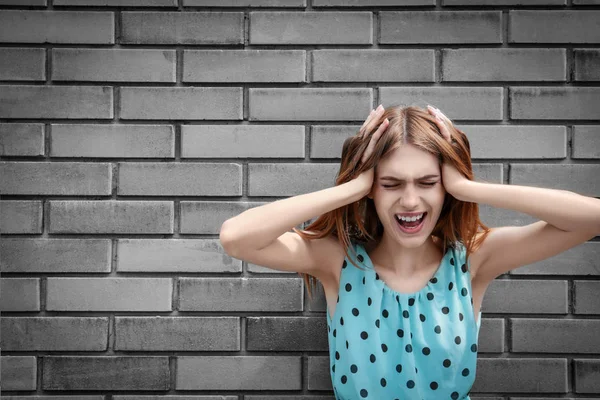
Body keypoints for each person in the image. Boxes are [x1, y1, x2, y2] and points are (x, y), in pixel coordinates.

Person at [219, 104, 599, 399]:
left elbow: (591, 218)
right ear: (372, 188)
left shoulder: (473, 260)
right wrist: (351, 187)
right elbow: (236, 237)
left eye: (428, 182)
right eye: (391, 183)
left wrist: (468, 188)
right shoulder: (338, 261)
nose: (411, 200)